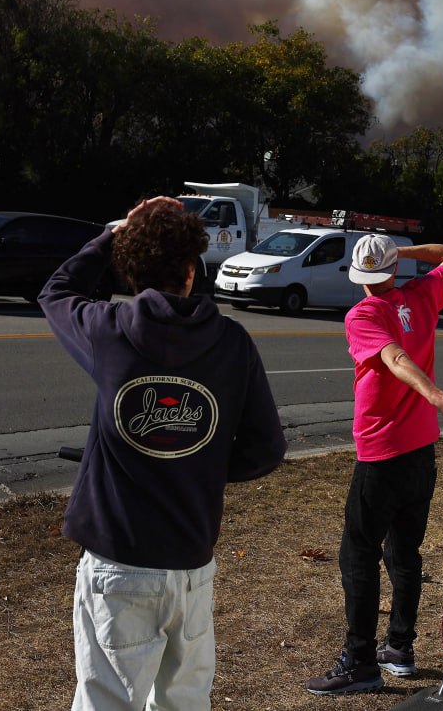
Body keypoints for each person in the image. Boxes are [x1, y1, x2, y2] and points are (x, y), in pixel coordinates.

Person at [39, 197, 287, 711]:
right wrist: (200, 466)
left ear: (129, 273)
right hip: (191, 564)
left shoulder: (109, 330)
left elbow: (56, 290)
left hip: (118, 561)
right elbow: (266, 448)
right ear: (192, 271)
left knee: (106, 700)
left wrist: (115, 231)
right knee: (184, 702)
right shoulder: (233, 343)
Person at [305, 235, 443, 696]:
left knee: (358, 553)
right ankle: (399, 648)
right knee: (403, 552)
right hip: (421, 449)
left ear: (359, 277)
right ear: (393, 270)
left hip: (383, 451)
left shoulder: (363, 314)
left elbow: (393, 358)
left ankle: (360, 663)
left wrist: (438, 396)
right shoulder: (422, 295)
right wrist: (406, 254)